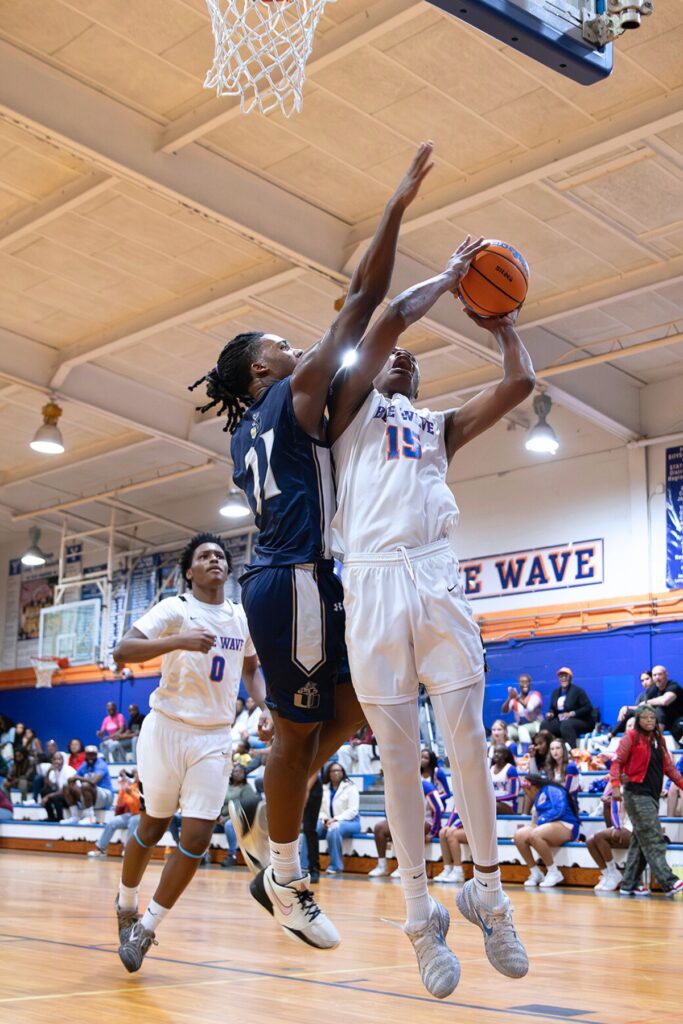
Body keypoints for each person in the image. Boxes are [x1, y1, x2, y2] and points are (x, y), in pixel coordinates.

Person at [191, 143, 435, 949]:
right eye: (280, 343)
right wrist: (396, 204)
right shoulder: (291, 393)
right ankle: (285, 876)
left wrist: (385, 383)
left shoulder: (258, 430)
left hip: (312, 577)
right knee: (294, 735)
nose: (294, 345)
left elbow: (346, 401)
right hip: (289, 578)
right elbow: (364, 299)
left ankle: (277, 816)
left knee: (361, 701)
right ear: (258, 370)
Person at [328, 237, 534, 997]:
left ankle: (488, 893)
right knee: (397, 755)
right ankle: (420, 916)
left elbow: (521, 383)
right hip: (371, 581)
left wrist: (503, 325)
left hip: (435, 574)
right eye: (392, 360)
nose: (404, 360)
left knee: (467, 738)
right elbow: (387, 319)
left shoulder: (436, 428)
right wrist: (450, 277)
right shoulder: (346, 414)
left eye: (412, 362)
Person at [111, 533, 269, 972]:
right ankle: (126, 904)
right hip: (166, 729)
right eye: (204, 556)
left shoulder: (241, 618)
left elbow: (251, 670)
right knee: (153, 825)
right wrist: (178, 640)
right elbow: (123, 651)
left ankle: (146, 928)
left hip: (214, 738)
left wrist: (263, 706)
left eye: (220, 555)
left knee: (196, 839)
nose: (214, 559)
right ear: (189, 571)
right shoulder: (176, 609)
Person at [609, 703, 683, 897]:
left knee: (640, 840)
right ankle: (669, 881)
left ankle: (629, 884)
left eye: (652, 718)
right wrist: (615, 786)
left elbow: (669, 768)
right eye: (645, 718)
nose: (650, 721)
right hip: (635, 793)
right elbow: (616, 762)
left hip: (652, 795)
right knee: (653, 836)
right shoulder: (631, 737)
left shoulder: (659, 739)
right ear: (638, 720)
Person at [514, 774, 580, 888]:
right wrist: (536, 823)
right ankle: (535, 872)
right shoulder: (538, 797)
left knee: (535, 834)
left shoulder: (552, 789)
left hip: (566, 824)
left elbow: (559, 809)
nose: (527, 795)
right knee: (519, 835)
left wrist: (540, 822)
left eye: (526, 792)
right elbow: (536, 818)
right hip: (547, 825)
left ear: (532, 787)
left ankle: (554, 872)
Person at [370, 776, 444, 879]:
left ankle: (405, 867)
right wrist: (392, 828)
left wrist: (433, 833)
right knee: (380, 828)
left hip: (425, 822)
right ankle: (382, 866)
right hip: (405, 822)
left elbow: (439, 808)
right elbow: (390, 808)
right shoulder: (398, 786)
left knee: (407, 827)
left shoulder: (426, 786)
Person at [315, 763, 360, 875]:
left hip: (351, 822)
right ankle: (305, 865)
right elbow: (320, 810)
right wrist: (325, 819)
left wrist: (335, 819)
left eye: (338, 770)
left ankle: (335, 866)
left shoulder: (351, 787)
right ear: (328, 773)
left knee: (333, 829)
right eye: (333, 771)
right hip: (328, 821)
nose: (336, 773)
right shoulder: (324, 788)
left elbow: (353, 811)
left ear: (343, 772)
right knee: (312, 829)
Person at [586, 782, 632, 892]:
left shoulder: (636, 788)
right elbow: (610, 823)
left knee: (599, 836)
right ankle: (608, 874)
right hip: (621, 826)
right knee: (590, 841)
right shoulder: (618, 787)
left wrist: (620, 800)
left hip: (633, 828)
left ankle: (614, 873)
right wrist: (607, 806)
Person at [87, 770, 142, 859]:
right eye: (136, 775)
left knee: (133, 821)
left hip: (144, 815)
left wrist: (131, 793)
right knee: (113, 822)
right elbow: (120, 804)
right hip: (132, 814)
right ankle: (101, 849)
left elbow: (141, 802)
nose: (137, 776)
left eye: (138, 774)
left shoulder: (145, 788)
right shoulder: (132, 786)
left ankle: (128, 850)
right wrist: (122, 790)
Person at [540, 668, 594, 750]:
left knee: (566, 725)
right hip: (562, 721)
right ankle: (547, 751)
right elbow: (552, 709)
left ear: (570, 678)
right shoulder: (555, 693)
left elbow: (588, 707)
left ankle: (572, 752)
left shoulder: (578, 691)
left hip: (580, 720)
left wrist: (571, 714)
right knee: (545, 724)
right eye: (561, 676)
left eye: (566, 676)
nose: (563, 678)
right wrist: (550, 713)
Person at [63, 744, 114, 823]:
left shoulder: (101, 764)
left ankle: (90, 817)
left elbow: (93, 781)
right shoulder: (85, 765)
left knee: (86, 785)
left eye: (93, 754)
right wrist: (72, 781)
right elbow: (74, 778)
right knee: (66, 786)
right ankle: (75, 816)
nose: (91, 757)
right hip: (91, 795)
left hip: (106, 795)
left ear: (96, 755)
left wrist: (78, 778)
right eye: (88, 754)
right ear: (85, 755)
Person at [638, 665, 683, 742]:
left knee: (660, 709)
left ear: (666, 675)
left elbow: (665, 701)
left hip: (679, 719)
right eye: (654, 675)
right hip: (667, 722)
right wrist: (627, 708)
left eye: (660, 674)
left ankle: (656, 741)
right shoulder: (652, 690)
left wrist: (646, 702)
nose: (657, 677)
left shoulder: (673, 686)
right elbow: (640, 707)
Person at [609, 670, 652, 739]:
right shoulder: (641, 696)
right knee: (625, 721)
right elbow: (636, 710)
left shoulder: (658, 692)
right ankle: (611, 733)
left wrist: (626, 708)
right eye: (642, 681)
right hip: (640, 721)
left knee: (628, 712)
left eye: (647, 679)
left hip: (652, 720)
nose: (645, 682)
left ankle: (610, 735)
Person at [501, 674, 543, 743]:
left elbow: (530, 708)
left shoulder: (535, 694)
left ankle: (525, 749)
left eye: (527, 682)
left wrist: (517, 698)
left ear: (530, 683)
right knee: (505, 731)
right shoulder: (515, 697)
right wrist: (509, 698)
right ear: (519, 684)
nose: (525, 684)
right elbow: (504, 711)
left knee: (522, 730)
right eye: (522, 682)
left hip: (535, 725)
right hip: (519, 725)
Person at [435, 808, 467, 884]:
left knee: (452, 834)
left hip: (477, 828)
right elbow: (455, 813)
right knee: (442, 832)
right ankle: (447, 869)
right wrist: (447, 825)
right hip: (465, 827)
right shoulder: (459, 800)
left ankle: (458, 871)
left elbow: (471, 816)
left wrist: (455, 826)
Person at [40, 752, 74, 821]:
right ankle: (51, 817)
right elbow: (50, 785)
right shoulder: (56, 770)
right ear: (52, 761)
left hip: (71, 797)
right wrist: (48, 771)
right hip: (62, 794)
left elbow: (64, 789)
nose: (57, 761)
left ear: (63, 760)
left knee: (55, 796)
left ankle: (59, 818)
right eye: (55, 759)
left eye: (59, 759)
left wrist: (48, 796)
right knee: (44, 791)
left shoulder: (68, 770)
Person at [490, 746, 520, 815]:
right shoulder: (491, 768)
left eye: (499, 752)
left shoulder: (511, 769)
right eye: (495, 752)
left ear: (505, 755)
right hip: (493, 802)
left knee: (492, 806)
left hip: (508, 804)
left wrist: (497, 799)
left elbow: (514, 794)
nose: (496, 754)